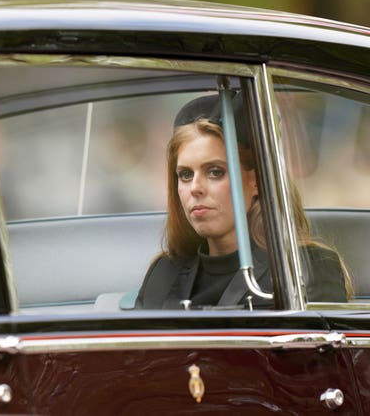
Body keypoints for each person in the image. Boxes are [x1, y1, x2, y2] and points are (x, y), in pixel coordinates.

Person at [134, 93, 352, 310]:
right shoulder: (163, 273)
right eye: (185, 175)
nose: (195, 188)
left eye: (215, 172)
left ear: (256, 181)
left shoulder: (304, 268)